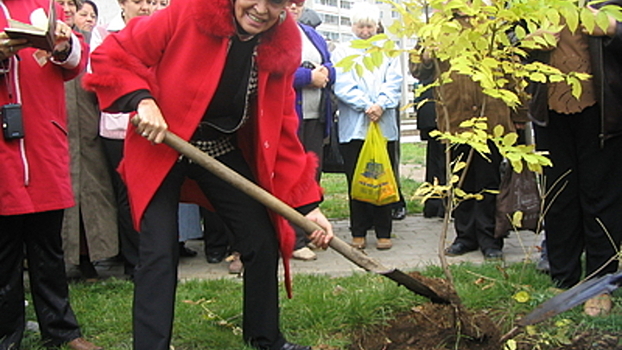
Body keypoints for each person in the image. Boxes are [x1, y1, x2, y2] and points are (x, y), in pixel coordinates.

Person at [84, 0, 334, 349]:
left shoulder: (282, 42)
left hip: (218, 147)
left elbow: (282, 131)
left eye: (274, 2)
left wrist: (308, 205)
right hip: (163, 144)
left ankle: (265, 339)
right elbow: (115, 52)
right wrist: (142, 100)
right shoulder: (189, 12)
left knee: (262, 240)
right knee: (158, 250)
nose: (261, 9)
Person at [0, 0, 102, 349]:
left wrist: (64, 44)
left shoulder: (46, 4)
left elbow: (76, 62)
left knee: (48, 246)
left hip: (43, 141)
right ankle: (6, 333)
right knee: (4, 248)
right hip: (3, 151)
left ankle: (61, 330)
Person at [528, 1, 622, 316]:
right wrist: (531, 40)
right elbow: (505, 45)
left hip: (603, 110)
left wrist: (612, 29)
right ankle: (563, 277)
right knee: (559, 196)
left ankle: (600, 284)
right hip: (550, 112)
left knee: (600, 198)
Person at [332, 2, 402, 251]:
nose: (364, 31)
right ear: (353, 26)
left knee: (383, 176)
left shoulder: (388, 49)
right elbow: (342, 83)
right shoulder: (342, 51)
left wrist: (381, 104)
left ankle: (384, 230)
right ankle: (358, 231)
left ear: (376, 26)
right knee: (357, 178)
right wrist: (365, 105)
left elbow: (394, 81)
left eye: (369, 26)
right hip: (355, 126)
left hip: (382, 125)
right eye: (360, 26)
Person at [89, 0, 152, 278]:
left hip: (152, 126)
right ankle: (133, 259)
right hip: (117, 126)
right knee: (126, 194)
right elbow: (97, 76)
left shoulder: (154, 31)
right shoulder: (105, 33)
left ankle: (153, 255)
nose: (144, 7)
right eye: (137, 1)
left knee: (151, 192)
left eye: (149, 1)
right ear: (122, 4)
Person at [60, 0, 119, 282]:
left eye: (71, 4)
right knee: (66, 196)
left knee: (96, 194)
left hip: (91, 132)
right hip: (60, 136)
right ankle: (67, 259)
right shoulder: (43, 46)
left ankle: (96, 256)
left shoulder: (89, 42)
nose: (68, 9)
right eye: (62, 4)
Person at [287, 0, 335, 261]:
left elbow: (330, 66)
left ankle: (309, 231)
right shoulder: (272, 35)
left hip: (315, 117)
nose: (293, 6)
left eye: (298, 3)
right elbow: (274, 71)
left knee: (312, 175)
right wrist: (307, 78)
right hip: (290, 119)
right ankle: (293, 239)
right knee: (292, 176)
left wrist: (326, 72)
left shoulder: (311, 34)